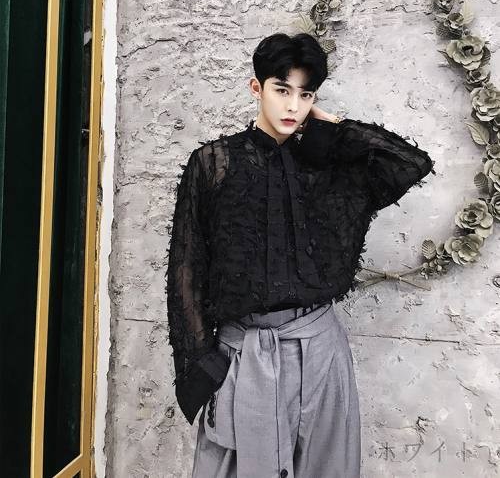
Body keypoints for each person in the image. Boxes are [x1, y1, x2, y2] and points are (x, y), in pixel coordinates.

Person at [165, 32, 435, 478]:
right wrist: (204, 364)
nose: (293, 105)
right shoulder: (214, 163)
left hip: (320, 349)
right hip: (243, 354)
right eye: (282, 90)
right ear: (257, 88)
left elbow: (410, 164)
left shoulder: (328, 167)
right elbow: (186, 268)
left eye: (305, 94)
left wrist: (334, 129)